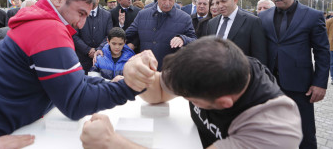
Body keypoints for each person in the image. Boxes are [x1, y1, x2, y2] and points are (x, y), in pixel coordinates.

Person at [0, 0, 155, 144]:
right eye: (81, 13)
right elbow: (75, 102)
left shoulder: (39, 23)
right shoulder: (48, 29)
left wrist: (108, 83)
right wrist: (131, 86)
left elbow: (72, 81)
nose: (81, 23)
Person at [81, 37, 302, 149]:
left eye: (189, 98)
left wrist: (112, 142)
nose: (180, 96)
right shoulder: (208, 68)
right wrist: (137, 72)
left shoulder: (273, 129)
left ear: (224, 102)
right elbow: (158, 92)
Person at [259, 0, 330, 149]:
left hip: (300, 86)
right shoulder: (263, 16)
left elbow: (322, 52)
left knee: (305, 134)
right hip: (270, 84)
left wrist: (320, 84)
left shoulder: (312, 16)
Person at [125, 0, 196, 71]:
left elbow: (194, 41)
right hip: (146, 72)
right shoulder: (142, 15)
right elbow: (126, 35)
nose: (167, 3)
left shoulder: (185, 18)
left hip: (170, 74)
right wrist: (103, 47)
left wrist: (183, 39)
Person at [205, 0, 267, 65]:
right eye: (217, 2)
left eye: (223, 1)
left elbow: (259, 57)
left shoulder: (252, 21)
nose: (220, 6)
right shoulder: (212, 23)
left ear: (235, 0)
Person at [73, 0, 113, 73]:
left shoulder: (107, 15)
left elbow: (109, 35)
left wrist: (98, 49)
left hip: (101, 58)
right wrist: (88, 50)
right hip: (82, 58)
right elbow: (74, 35)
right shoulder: (78, 14)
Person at [327, 17, 333, 84]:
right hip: (331, 46)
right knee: (332, 63)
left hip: (331, 45)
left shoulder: (329, 21)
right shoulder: (329, 21)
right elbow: (326, 33)